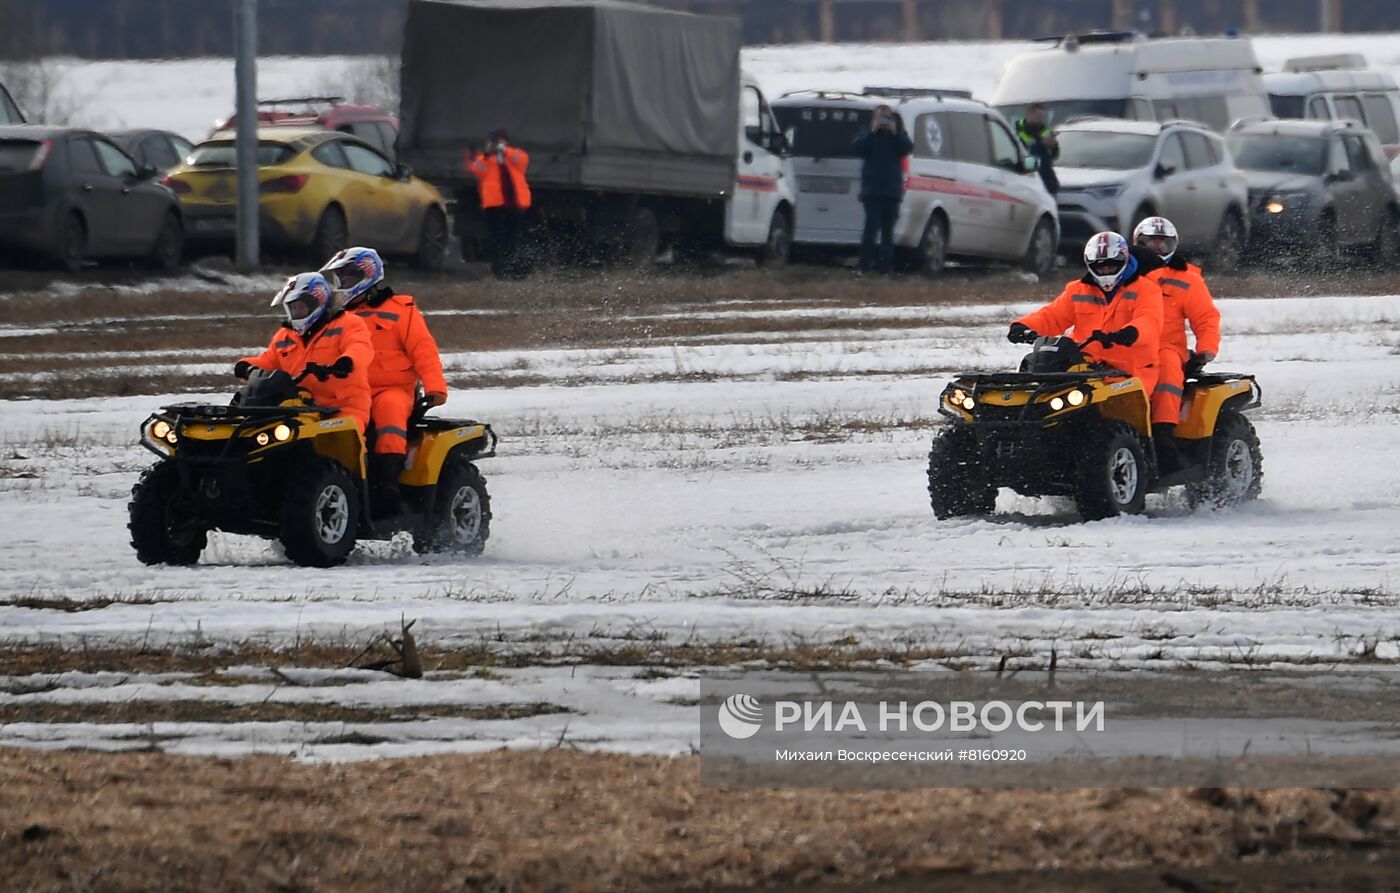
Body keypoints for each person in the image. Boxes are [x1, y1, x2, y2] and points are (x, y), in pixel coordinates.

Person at [321, 246, 448, 516]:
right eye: (339, 278)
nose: (342, 284)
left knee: (389, 413)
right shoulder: (331, 317)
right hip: (346, 392)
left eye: (348, 277)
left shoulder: (402, 309)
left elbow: (424, 350)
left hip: (391, 389)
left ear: (367, 275)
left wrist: (435, 388)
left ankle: (387, 482)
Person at [1008, 231, 1163, 398]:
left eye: (1110, 266)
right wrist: (1024, 326)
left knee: (1115, 409)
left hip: (1130, 372)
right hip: (1082, 369)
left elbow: (1150, 320)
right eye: (1100, 267)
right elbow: (1052, 316)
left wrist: (1130, 333)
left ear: (1123, 261)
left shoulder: (1146, 289)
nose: (1105, 271)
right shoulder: (1078, 289)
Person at [1130, 216, 1222, 465]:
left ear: (1174, 245)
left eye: (1164, 244)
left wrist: (1206, 350)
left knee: (1168, 371)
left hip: (1167, 348)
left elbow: (1205, 318)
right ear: (1137, 242)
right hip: (1123, 346)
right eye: (1150, 243)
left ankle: (1163, 433)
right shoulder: (1119, 273)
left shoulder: (1187, 279)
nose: (1157, 249)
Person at [235, 272, 373, 432]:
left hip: (343, 406)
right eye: (293, 307)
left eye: (300, 306)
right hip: (298, 408)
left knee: (341, 437)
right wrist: (247, 366)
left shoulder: (349, 324)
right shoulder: (285, 335)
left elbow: (360, 347)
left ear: (317, 302)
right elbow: (270, 361)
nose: (296, 311)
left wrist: (347, 362)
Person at [852, 104, 913, 274]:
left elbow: (907, 147)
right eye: (881, 117)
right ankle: (864, 266)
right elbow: (857, 147)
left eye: (887, 117)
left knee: (888, 232)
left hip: (891, 191)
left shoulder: (898, 134)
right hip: (872, 190)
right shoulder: (867, 133)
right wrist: (872, 131)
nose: (884, 121)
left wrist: (895, 133)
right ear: (875, 118)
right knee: (870, 229)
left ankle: (886, 267)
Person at [466, 127, 531, 278]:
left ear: (505, 141)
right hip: (495, 205)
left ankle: (513, 268)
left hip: (515, 205)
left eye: (497, 141)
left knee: (513, 238)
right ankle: (500, 269)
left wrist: (504, 150)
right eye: (493, 141)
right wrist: (483, 154)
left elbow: (521, 160)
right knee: (496, 239)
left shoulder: (516, 155)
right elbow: (476, 168)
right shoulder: (487, 159)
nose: (495, 144)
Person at [1015, 103, 1060, 195]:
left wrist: (1053, 146)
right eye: (1037, 117)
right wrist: (1041, 145)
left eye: (1041, 117)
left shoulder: (1045, 131)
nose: (1040, 120)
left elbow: (1053, 156)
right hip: (1026, 180)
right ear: (1028, 114)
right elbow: (1027, 156)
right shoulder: (1016, 131)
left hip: (1047, 181)